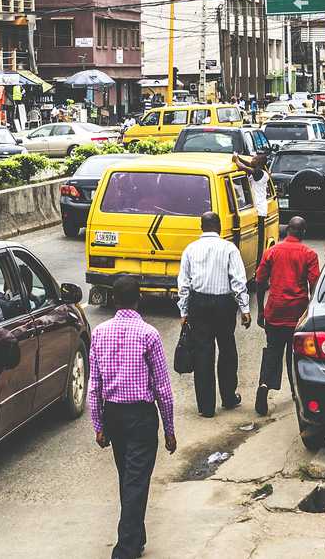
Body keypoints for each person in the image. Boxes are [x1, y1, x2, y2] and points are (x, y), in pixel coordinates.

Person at [89, 276, 176, 559]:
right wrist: (169, 429)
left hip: (113, 414)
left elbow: (94, 386)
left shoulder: (100, 333)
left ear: (114, 300)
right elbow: (162, 386)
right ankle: (124, 549)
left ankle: (135, 539)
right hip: (141, 417)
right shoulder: (149, 334)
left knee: (128, 478)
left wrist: (99, 425)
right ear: (139, 299)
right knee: (135, 481)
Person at [178, 211, 250, 417]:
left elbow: (184, 284)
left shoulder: (190, 249)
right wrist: (244, 308)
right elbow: (238, 281)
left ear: (202, 227)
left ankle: (206, 407)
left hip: (198, 303)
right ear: (219, 227)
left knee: (203, 353)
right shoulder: (229, 248)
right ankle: (228, 397)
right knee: (227, 349)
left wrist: (183, 311)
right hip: (224, 304)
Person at [253, 217, 320, 415]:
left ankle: (264, 385)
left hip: (275, 311)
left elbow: (259, 281)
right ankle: (295, 392)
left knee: (272, 351)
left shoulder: (272, 252)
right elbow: (314, 284)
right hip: (297, 314)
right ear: (303, 232)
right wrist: (312, 311)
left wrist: (261, 310)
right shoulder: (309, 254)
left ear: (287, 230)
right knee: (295, 355)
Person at [234, 152, 271, 265]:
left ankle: (258, 264)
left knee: (259, 241)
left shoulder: (259, 173)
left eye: (254, 159)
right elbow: (248, 164)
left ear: (258, 163)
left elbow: (243, 167)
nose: (252, 159)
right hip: (258, 209)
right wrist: (239, 157)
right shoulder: (260, 172)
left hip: (259, 210)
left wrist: (236, 160)